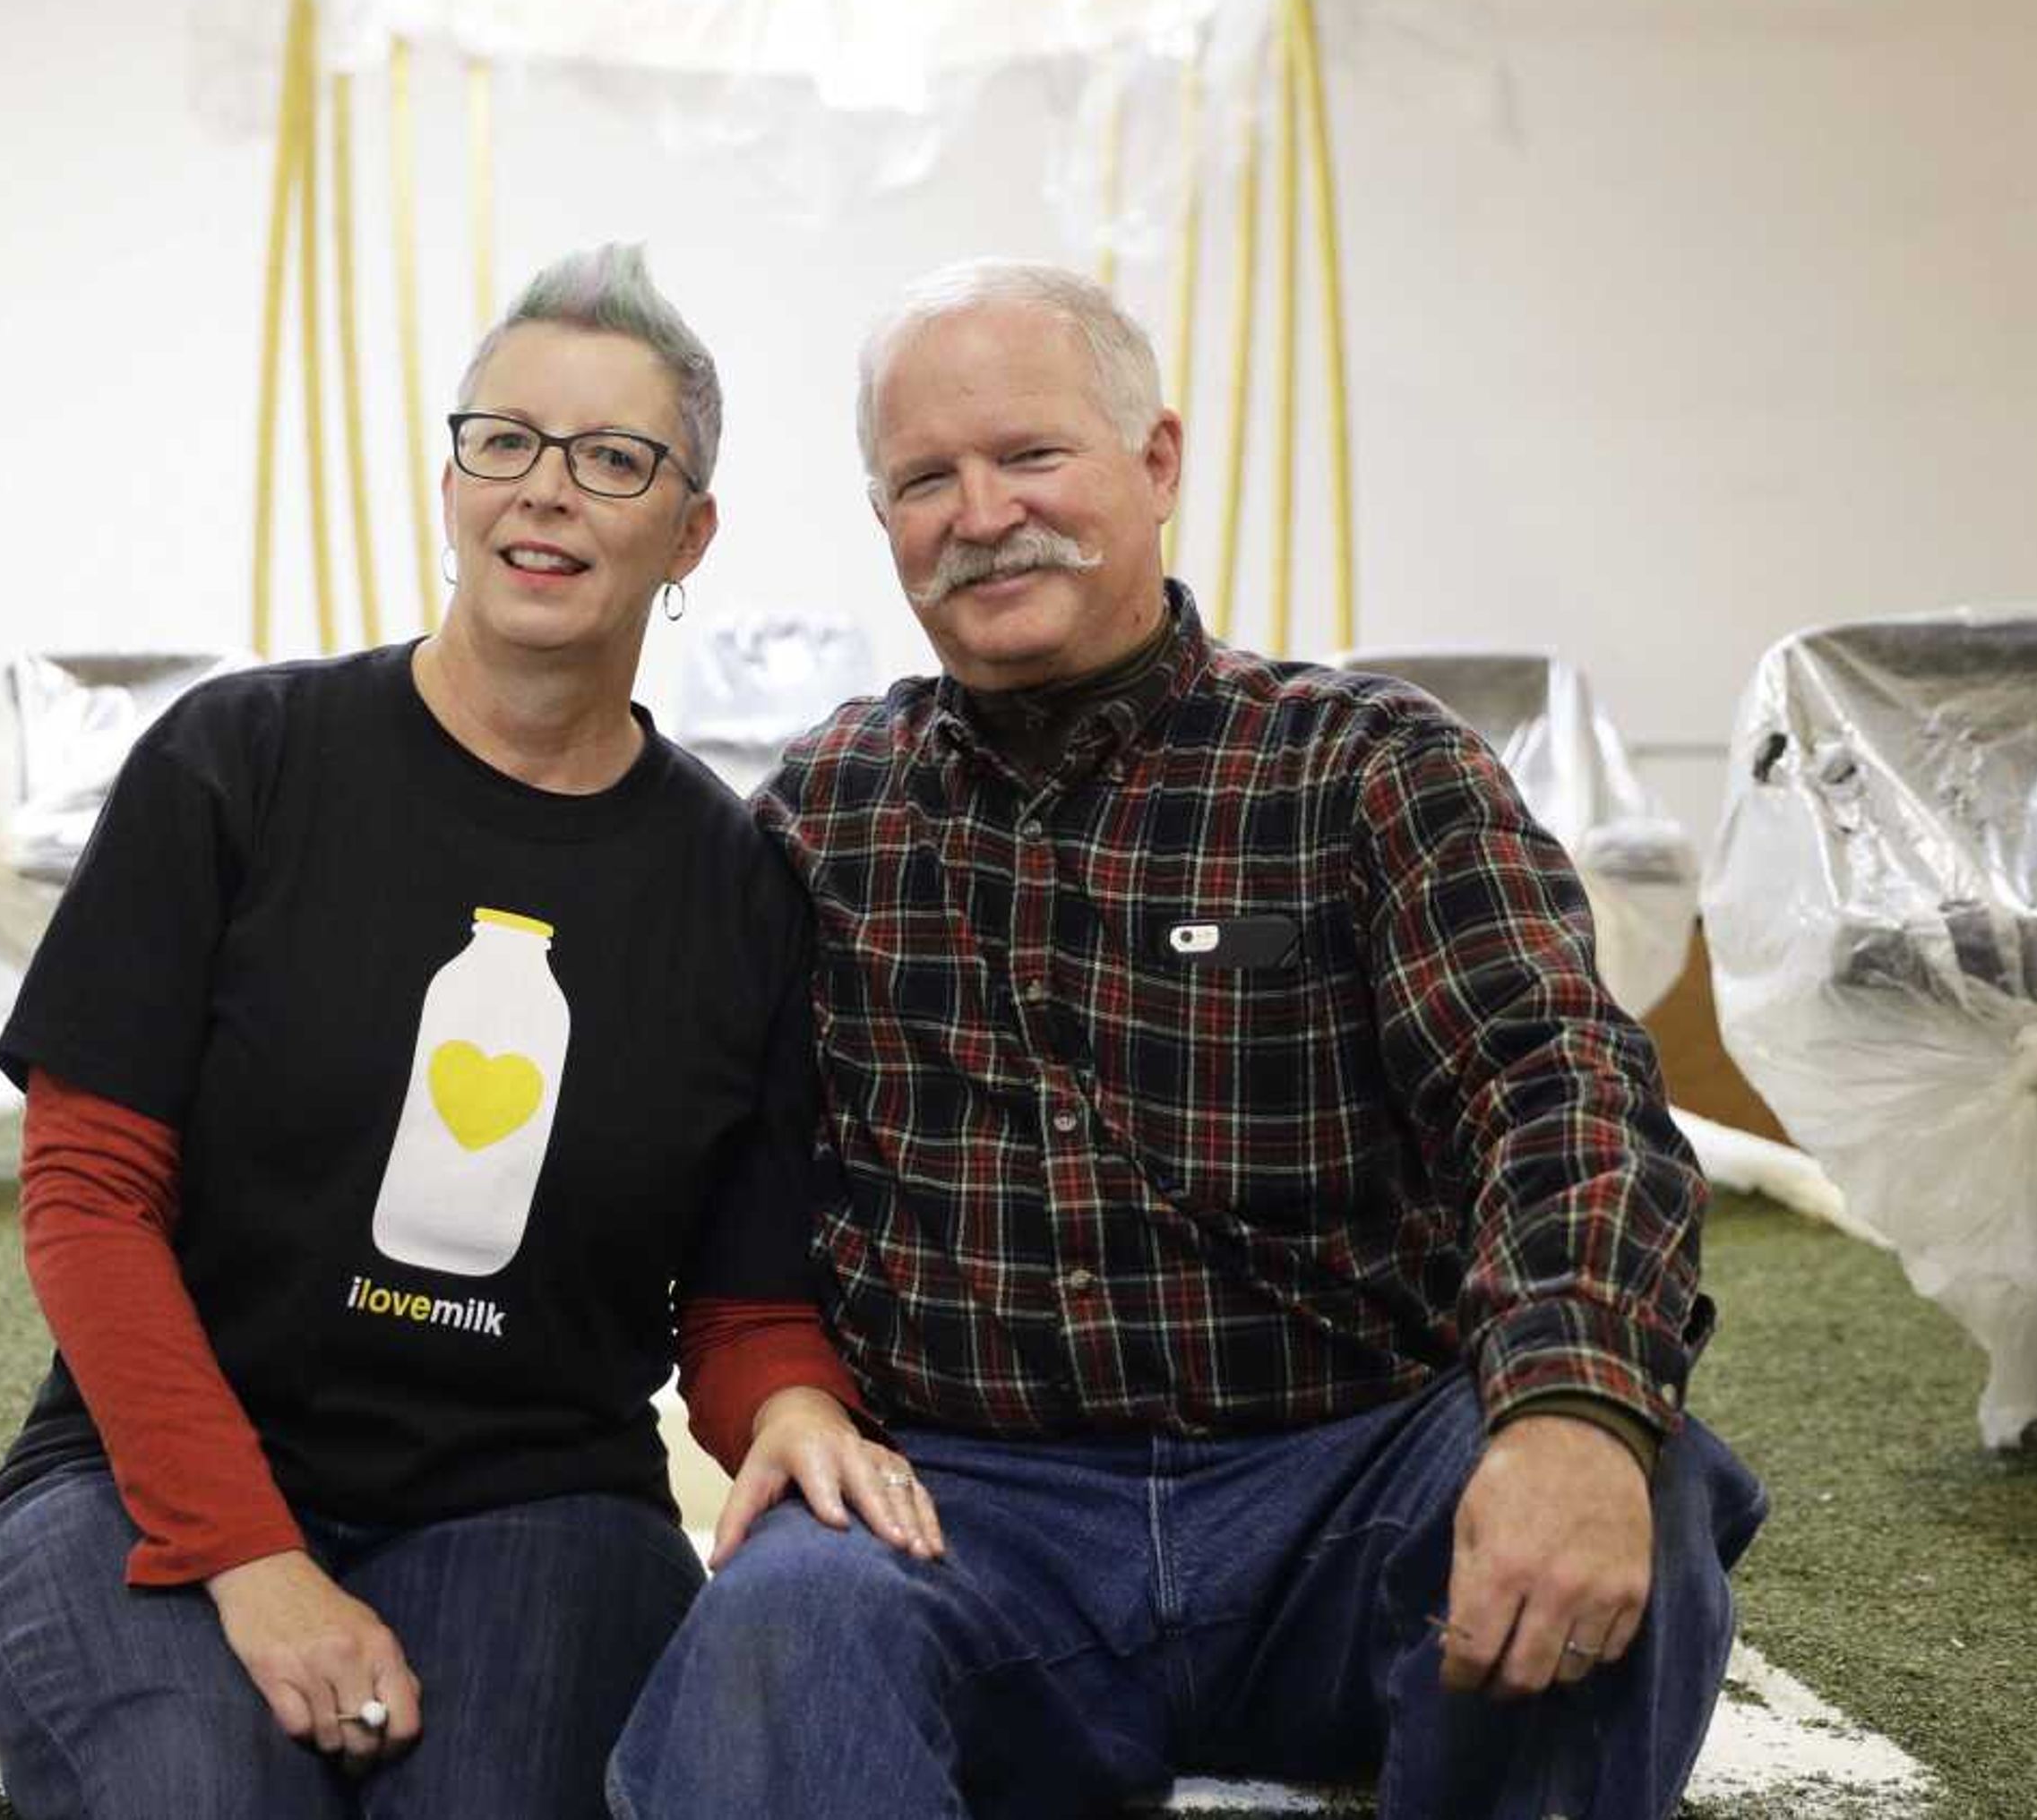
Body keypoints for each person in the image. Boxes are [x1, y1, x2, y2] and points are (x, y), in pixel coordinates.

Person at [610, 259, 1765, 1820]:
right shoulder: (821, 819)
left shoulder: (1367, 769)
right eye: (924, 480)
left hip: (1353, 1486)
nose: (980, 511)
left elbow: (1558, 1091)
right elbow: (717, 1188)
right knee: (782, 1622)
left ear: (1155, 462)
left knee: (1646, 1475)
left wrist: (1570, 1408)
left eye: (1029, 455)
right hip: (972, 1511)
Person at [0, 245, 931, 1820]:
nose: (546, 491)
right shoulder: (238, 764)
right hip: (153, 1473)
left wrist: (801, 1408)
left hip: (538, 1501)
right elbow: (86, 1198)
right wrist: (253, 1558)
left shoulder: (737, 885)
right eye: (506, 441)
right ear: (453, 480)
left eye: (615, 460)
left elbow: (743, 1305)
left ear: (689, 532)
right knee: (212, 1796)